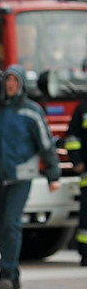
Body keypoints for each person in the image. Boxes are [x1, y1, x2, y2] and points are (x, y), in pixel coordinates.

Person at [0, 65, 61, 289]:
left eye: (14, 81)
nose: (10, 85)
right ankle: (13, 273)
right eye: (7, 80)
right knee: (1, 228)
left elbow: (46, 143)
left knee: (12, 223)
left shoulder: (31, 111)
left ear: (21, 84)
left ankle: (7, 274)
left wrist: (53, 174)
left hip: (21, 175)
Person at [66, 92, 87, 266]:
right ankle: (86, 253)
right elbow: (72, 138)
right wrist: (77, 161)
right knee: (86, 216)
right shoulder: (83, 108)